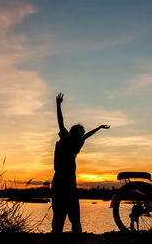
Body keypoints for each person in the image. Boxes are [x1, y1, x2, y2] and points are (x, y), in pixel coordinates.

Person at [51, 93, 110, 233]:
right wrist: (58, 105)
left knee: (65, 211)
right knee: (67, 211)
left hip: (64, 180)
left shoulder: (73, 140)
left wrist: (99, 128)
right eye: (81, 133)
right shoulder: (69, 139)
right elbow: (61, 121)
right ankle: (67, 233)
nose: (83, 135)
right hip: (64, 180)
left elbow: (85, 135)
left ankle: (62, 233)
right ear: (77, 133)